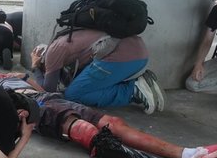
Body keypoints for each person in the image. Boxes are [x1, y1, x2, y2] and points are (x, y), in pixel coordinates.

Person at [0, 65, 217, 158]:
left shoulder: (9, 76)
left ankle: (193, 155)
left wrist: (23, 73)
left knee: (113, 123)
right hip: (38, 109)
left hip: (49, 98)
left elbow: (41, 86)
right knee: (88, 133)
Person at [33, 27, 163, 114]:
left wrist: (35, 67)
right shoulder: (65, 41)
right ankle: (138, 84)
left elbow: (48, 91)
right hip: (139, 55)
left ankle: (132, 90)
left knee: (72, 95)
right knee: (77, 88)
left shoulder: (52, 53)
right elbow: (75, 83)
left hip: (121, 57)